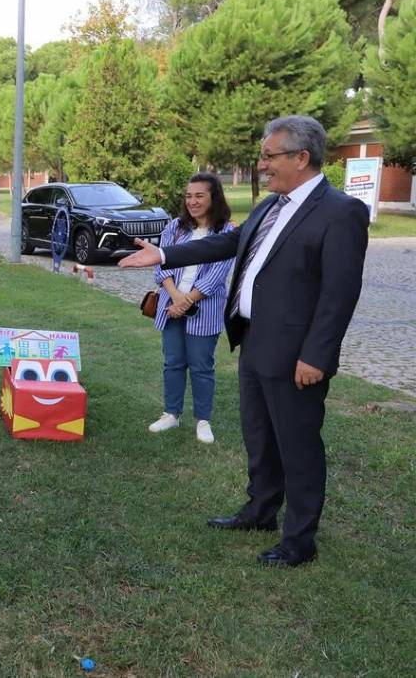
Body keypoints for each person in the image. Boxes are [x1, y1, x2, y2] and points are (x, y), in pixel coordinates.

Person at [120, 115, 369, 567]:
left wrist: (316, 356)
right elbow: (224, 247)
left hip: (296, 355)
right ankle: (260, 511)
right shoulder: (269, 206)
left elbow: (339, 294)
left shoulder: (340, 212)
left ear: (301, 157)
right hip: (253, 342)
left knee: (298, 445)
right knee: (260, 436)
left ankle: (299, 541)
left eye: (269, 156)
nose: (262, 165)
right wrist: (164, 253)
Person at [149, 172, 235, 444]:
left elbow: (216, 276)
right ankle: (171, 414)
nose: (193, 201)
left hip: (203, 311)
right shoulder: (175, 227)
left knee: (201, 366)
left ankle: (203, 420)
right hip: (170, 306)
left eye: (199, 195)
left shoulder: (227, 232)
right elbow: (160, 264)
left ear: (214, 197)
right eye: (188, 196)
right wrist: (175, 298)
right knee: (172, 362)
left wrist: (185, 302)